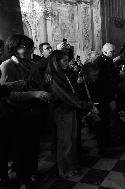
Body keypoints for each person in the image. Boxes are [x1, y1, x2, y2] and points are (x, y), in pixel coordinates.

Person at [0, 34, 49, 189]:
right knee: (21, 149)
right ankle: (23, 178)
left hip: (33, 111)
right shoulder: (7, 65)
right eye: (24, 47)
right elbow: (8, 95)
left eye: (30, 47)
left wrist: (43, 86)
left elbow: (37, 84)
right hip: (17, 114)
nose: (28, 50)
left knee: (34, 145)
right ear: (14, 49)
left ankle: (32, 170)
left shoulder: (31, 64)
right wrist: (34, 94)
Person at [45, 50, 93, 179]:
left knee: (72, 139)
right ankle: (64, 170)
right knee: (65, 142)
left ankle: (71, 165)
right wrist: (86, 105)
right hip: (62, 111)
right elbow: (66, 96)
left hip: (70, 110)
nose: (68, 63)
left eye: (67, 60)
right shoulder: (53, 76)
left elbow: (71, 92)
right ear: (56, 62)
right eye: (64, 61)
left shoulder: (63, 73)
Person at [90, 43, 119, 156]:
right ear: (105, 52)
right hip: (102, 98)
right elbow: (103, 84)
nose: (114, 53)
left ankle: (108, 143)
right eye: (112, 52)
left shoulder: (107, 60)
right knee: (102, 123)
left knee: (107, 122)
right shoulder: (100, 62)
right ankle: (103, 148)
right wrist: (110, 99)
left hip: (107, 96)